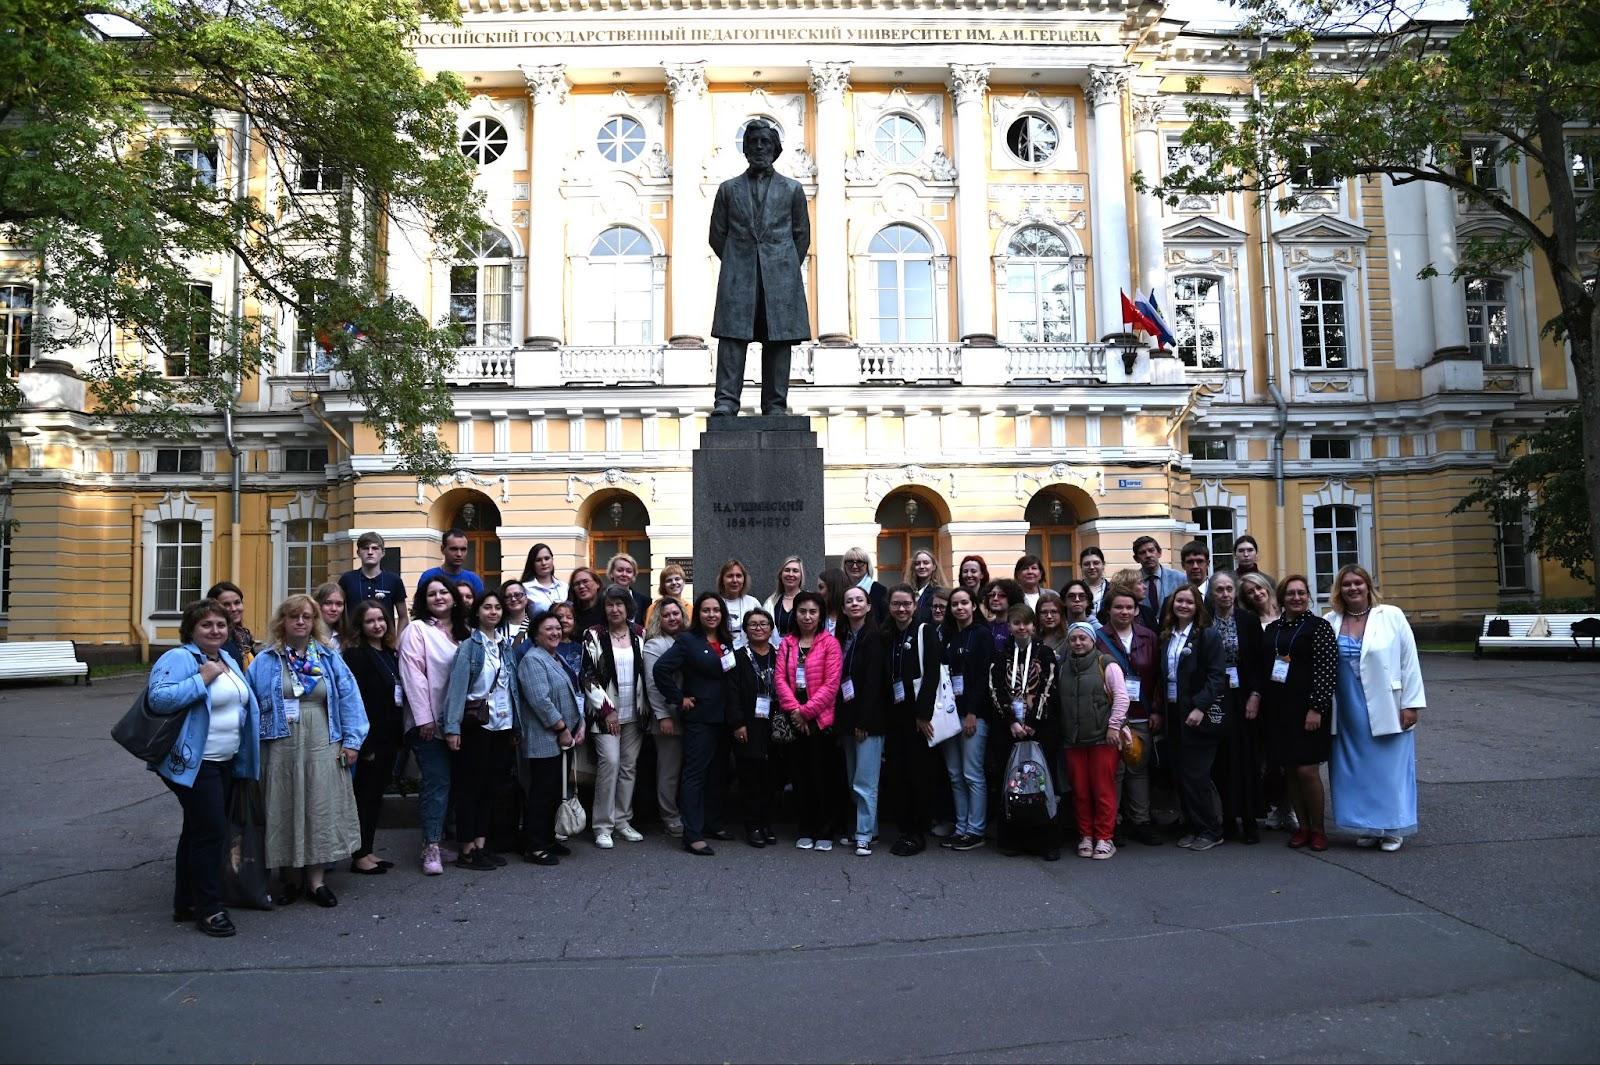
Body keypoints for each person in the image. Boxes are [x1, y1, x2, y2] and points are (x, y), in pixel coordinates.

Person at [146, 598, 262, 937]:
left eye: (221, 625)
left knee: (197, 831)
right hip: (195, 763)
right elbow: (159, 698)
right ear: (191, 630)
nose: (215, 630)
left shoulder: (225, 657)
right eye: (207, 625)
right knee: (211, 833)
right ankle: (210, 909)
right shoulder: (180, 658)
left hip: (225, 761)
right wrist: (203, 678)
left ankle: (186, 901)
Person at [246, 594, 366, 908]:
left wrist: (352, 741)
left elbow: (349, 697)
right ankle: (290, 878)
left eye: (307, 617)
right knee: (284, 806)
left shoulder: (327, 656)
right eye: (294, 616)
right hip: (279, 744)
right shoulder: (266, 659)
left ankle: (316, 880)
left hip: (322, 740)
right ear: (282, 621)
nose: (301, 622)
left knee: (318, 807)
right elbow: (250, 706)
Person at [708, 118, 810, 417]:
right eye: (753, 142)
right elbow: (717, 235)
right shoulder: (728, 190)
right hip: (739, 275)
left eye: (765, 142)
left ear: (776, 149)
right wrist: (739, 262)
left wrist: (782, 265)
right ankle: (726, 402)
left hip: (780, 277)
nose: (759, 147)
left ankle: (775, 405)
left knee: (778, 340)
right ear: (745, 148)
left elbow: (801, 236)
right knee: (732, 339)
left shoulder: (792, 190)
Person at [1326, 565, 1426, 852]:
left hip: (1388, 705)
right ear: (1339, 589)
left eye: (1358, 583)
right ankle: (1368, 825)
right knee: (1354, 771)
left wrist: (1411, 704)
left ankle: (1393, 827)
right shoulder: (1331, 620)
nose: (1353, 588)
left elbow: (1409, 662)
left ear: (1368, 586)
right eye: (1346, 584)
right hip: (1346, 709)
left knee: (1389, 770)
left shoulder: (1391, 616)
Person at [652, 592, 737, 856]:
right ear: (698, 614)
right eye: (706, 610)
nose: (711, 615)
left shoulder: (725, 641)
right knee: (695, 776)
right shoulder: (688, 640)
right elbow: (661, 670)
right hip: (700, 718)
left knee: (718, 775)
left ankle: (712, 823)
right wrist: (678, 699)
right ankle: (692, 834)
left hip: (724, 719)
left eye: (716, 610)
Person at [1261, 575, 1338, 851]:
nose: (1296, 597)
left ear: (1308, 596)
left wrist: (1316, 707)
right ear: (1282, 598)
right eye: (1291, 593)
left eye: (1301, 593)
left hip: (1308, 709)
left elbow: (1327, 671)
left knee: (1307, 770)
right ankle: (1302, 827)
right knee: (1290, 770)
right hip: (1279, 710)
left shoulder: (1319, 627)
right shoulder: (1272, 629)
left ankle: (1318, 829)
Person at [441, 591, 518, 870]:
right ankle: (466, 848)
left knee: (491, 787)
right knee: (470, 788)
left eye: (498, 607)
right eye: (487, 607)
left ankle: (482, 844)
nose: (493, 612)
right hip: (476, 725)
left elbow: (511, 689)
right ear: (477, 612)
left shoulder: (505, 645)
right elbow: (458, 688)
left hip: (502, 723)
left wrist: (516, 726)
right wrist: (452, 728)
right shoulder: (469, 647)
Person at [397, 576, 467, 875]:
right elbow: (413, 674)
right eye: (431, 594)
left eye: (443, 592)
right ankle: (430, 847)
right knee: (436, 782)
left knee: (454, 783)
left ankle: (446, 839)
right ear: (423, 601)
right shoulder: (417, 630)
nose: (438, 597)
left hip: (462, 724)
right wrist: (424, 717)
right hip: (428, 722)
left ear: (454, 597)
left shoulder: (466, 632)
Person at [1156, 585, 1227, 851]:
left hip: (1197, 714)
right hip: (1173, 712)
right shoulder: (1167, 636)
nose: (1183, 606)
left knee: (1197, 775)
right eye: (1179, 601)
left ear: (1198, 606)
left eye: (1189, 602)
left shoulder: (1207, 635)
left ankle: (1211, 830)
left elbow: (1217, 676)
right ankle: (1194, 826)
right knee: (1181, 774)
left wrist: (1200, 707)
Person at [989, 604, 1060, 860]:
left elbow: (1049, 688)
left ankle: (1046, 842)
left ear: (1034, 626)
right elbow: (995, 690)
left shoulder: (1046, 654)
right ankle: (1013, 839)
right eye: (1016, 623)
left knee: (1043, 782)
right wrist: (1011, 721)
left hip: (1040, 730)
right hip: (1009, 730)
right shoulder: (1000, 655)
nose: (1022, 628)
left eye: (1026, 623)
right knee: (1011, 783)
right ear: (1009, 626)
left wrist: (1033, 721)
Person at [580, 585, 648, 850]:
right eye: (610, 604)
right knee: (610, 764)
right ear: (604, 608)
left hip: (635, 712)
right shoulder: (593, 635)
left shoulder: (639, 634)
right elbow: (587, 675)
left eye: (620, 604)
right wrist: (607, 709)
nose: (615, 609)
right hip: (606, 714)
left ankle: (622, 821)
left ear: (628, 607)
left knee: (629, 767)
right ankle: (603, 826)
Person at [514, 613, 584, 866]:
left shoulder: (554, 657)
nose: (555, 632)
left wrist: (579, 724)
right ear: (535, 634)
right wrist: (562, 728)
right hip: (545, 738)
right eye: (548, 629)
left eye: (557, 628)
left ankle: (547, 838)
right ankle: (535, 847)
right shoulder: (532, 660)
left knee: (554, 792)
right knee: (542, 794)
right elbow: (540, 700)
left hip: (560, 738)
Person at [1096, 583, 1163, 847]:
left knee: (1138, 769)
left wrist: (1157, 709)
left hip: (1142, 713)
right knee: (1115, 771)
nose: (1124, 612)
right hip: (1111, 717)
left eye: (1129, 607)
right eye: (1118, 607)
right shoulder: (1098, 638)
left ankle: (1141, 821)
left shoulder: (1149, 637)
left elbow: (1159, 676)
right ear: (1108, 610)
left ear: (1137, 610)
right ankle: (1113, 822)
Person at [774, 591, 842, 849]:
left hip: (821, 721)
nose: (807, 616)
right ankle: (806, 828)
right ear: (796, 614)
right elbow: (780, 680)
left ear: (820, 615)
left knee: (823, 778)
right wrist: (795, 711)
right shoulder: (787, 643)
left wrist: (807, 712)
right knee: (800, 777)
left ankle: (825, 831)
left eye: (813, 612)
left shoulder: (829, 643)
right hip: (795, 720)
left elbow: (831, 684)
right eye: (802, 611)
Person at [342, 600, 405, 875]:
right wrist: (362, 744)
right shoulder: (357, 656)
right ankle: (359, 855)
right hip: (370, 740)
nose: (377, 625)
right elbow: (356, 702)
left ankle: (368, 849)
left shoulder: (390, 652)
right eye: (370, 621)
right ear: (360, 625)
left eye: (381, 619)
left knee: (375, 796)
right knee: (364, 797)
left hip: (390, 737)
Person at [1058, 621, 1128, 860]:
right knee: (1080, 791)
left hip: (1102, 738)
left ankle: (1105, 837)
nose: (1078, 643)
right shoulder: (1063, 666)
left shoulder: (1106, 663)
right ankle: (1086, 836)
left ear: (1092, 640)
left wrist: (1114, 726)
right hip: (1073, 740)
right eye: (1074, 639)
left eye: (1083, 638)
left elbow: (1121, 697)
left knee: (1103, 790)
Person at [882, 585, 942, 857]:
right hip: (894, 715)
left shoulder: (924, 631)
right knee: (897, 773)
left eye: (906, 604)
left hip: (917, 716)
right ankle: (904, 828)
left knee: (918, 773)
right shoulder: (887, 634)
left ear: (915, 605)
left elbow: (932, 674)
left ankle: (917, 832)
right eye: (896, 604)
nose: (901, 609)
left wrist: (922, 714)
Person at [1207, 572, 1266, 844]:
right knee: (1223, 759)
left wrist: (1255, 694)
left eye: (1229, 588)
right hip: (1215, 696)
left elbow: (1258, 662)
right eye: (1219, 589)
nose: (1225, 594)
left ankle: (1250, 818)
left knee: (1247, 757)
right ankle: (1228, 818)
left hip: (1243, 695)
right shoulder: (1204, 620)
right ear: (1211, 593)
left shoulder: (1248, 621)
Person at [833, 585, 886, 855]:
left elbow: (874, 684)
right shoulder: (843, 638)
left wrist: (864, 722)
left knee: (866, 781)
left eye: (859, 600)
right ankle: (868, 829)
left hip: (868, 722)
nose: (854, 604)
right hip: (847, 721)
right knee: (854, 779)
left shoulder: (874, 638)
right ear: (843, 608)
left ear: (868, 606)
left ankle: (864, 833)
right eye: (849, 601)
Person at [1239, 570, 1292, 833]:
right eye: (1250, 592)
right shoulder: (1250, 622)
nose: (1256, 594)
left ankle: (1288, 808)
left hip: (1290, 692)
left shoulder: (1287, 614)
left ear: (1267, 588)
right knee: (1267, 758)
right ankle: (1271, 806)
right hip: (1263, 694)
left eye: (1258, 588)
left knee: (1289, 756)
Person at [939, 586, 992, 851]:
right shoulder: (949, 636)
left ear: (973, 606)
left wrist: (972, 712)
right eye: (955, 604)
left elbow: (983, 677)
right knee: (955, 774)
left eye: (964, 603)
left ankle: (976, 829)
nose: (959, 608)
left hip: (974, 714)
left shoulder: (982, 635)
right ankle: (960, 828)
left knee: (972, 773)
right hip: (949, 715)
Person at [730, 607, 781, 847]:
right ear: (745, 630)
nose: (759, 628)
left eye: (763, 624)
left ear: (771, 629)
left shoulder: (781, 654)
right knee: (749, 777)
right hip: (748, 725)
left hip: (776, 724)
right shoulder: (738, 657)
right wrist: (738, 723)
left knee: (771, 777)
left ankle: (767, 823)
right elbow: (731, 693)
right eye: (753, 625)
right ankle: (752, 826)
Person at [643, 597, 688, 838]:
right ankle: (669, 817)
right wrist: (662, 716)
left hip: (689, 716)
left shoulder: (688, 639)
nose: (672, 618)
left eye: (676, 613)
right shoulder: (655, 645)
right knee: (669, 771)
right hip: (667, 718)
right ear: (659, 619)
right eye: (667, 615)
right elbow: (652, 684)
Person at [338, 532, 407, 626]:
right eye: (365, 548)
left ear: (383, 553)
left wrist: (398, 639)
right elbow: (338, 612)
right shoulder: (347, 579)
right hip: (353, 639)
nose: (370, 552)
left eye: (375, 548)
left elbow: (403, 616)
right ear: (358, 553)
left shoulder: (394, 580)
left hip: (385, 639)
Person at [419, 528, 485, 601]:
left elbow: (480, 609)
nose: (459, 554)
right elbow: (419, 607)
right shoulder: (428, 576)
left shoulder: (474, 579)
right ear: (442, 549)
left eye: (463, 549)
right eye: (454, 549)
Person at [206, 581, 255, 668]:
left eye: (237, 603)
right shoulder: (214, 640)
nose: (233, 609)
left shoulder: (244, 637)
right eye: (226, 604)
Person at [1132, 535, 1186, 615]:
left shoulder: (1179, 578)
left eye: (1151, 550)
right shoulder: (1132, 581)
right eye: (1142, 553)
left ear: (1159, 553)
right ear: (1136, 559)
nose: (1148, 555)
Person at [717, 559, 763, 649]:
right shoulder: (715, 602)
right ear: (722, 579)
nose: (734, 580)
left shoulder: (753, 603)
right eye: (730, 576)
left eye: (738, 576)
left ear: (744, 579)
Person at [1100, 566, 1158, 632]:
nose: (1145, 587)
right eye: (1139, 583)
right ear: (1127, 587)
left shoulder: (1147, 612)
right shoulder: (1104, 613)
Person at [520, 542, 568, 616]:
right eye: (538, 560)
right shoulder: (525, 588)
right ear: (532, 564)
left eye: (547, 558)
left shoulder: (564, 586)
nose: (543, 563)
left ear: (552, 560)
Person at [763, 555, 807, 636]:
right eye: (787, 570)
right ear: (781, 575)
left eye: (795, 571)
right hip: (776, 648)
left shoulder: (808, 600)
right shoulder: (770, 602)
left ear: (801, 576)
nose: (790, 574)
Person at [842, 546, 888, 622]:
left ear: (867, 566)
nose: (854, 566)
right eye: (850, 562)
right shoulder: (840, 589)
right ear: (844, 565)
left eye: (859, 562)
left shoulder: (880, 590)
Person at [905, 549, 948, 626]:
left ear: (934, 567)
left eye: (926, 563)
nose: (921, 566)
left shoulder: (939, 592)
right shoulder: (907, 591)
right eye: (917, 563)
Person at [605, 553, 651, 626]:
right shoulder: (602, 598)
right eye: (620, 570)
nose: (624, 574)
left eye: (629, 571)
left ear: (633, 575)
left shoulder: (645, 601)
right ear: (611, 573)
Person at [980, 579, 1025, 650]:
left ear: (1012, 598)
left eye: (1002, 595)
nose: (995, 598)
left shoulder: (1020, 628)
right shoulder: (985, 626)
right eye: (992, 595)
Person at [548, 600, 584, 679]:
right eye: (559, 617)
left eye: (569, 617)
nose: (564, 620)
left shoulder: (579, 647)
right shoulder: (547, 647)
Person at [1075, 547, 1109, 618]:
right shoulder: (1074, 591)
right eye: (1086, 564)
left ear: (1103, 565)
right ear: (1081, 566)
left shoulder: (1113, 589)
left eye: (1096, 563)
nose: (1091, 567)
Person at [312, 582, 347, 651]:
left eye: (339, 604)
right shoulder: (307, 635)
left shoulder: (344, 638)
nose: (334, 609)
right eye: (328, 603)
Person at [817, 566, 850, 636]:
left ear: (832, 588)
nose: (818, 592)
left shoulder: (851, 618)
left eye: (821, 587)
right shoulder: (818, 616)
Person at [569, 567, 604, 632]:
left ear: (597, 584)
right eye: (577, 584)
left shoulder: (607, 610)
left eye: (585, 581)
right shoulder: (571, 614)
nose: (581, 586)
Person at [499, 580, 533, 644]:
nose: (513, 599)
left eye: (517, 595)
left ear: (526, 597)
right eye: (508, 597)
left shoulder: (535, 626)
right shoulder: (497, 627)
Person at [1035, 590, 1068, 655]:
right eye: (1044, 612)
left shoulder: (1069, 638)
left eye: (1054, 611)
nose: (1049, 616)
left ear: (1061, 614)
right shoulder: (1033, 638)